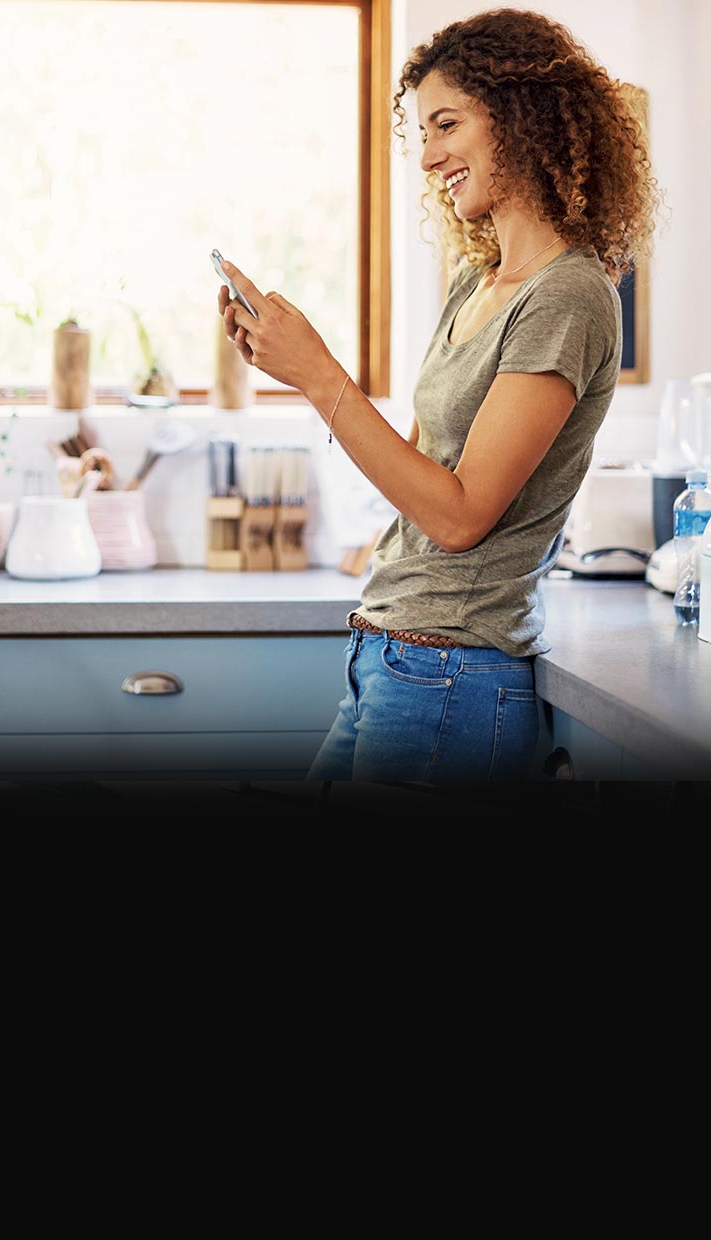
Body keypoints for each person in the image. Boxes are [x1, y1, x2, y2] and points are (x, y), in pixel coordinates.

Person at [215, 7, 662, 786]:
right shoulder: (475, 283)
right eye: (422, 134)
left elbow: (459, 516)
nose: (428, 158)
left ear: (518, 118)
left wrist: (322, 376)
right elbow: (422, 476)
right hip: (389, 655)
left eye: (445, 126)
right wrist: (294, 368)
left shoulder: (570, 295)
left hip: (454, 674)